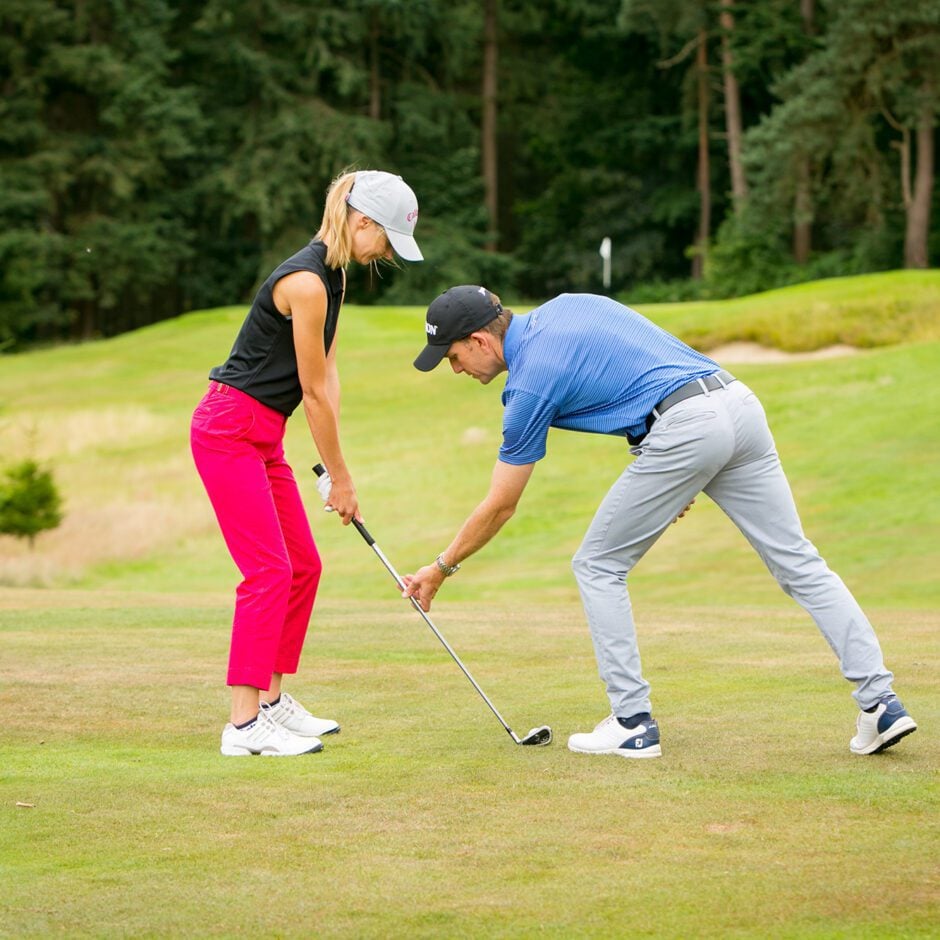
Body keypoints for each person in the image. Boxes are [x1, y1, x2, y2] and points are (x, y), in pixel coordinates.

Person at [403, 286, 917, 759]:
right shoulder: (568, 305)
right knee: (799, 561)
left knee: (597, 565)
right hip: (737, 404)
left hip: (686, 428)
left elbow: (501, 505)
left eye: (452, 357)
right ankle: (881, 703)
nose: (456, 369)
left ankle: (632, 722)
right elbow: (636, 365)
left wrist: (441, 568)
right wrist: (676, 469)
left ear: (479, 341)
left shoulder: (528, 386)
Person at [191, 169, 422, 756]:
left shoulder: (335, 278)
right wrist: (340, 478)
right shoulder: (306, 281)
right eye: (387, 239)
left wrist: (335, 467)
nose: (386, 254)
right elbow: (312, 393)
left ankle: (271, 701)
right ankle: (243, 725)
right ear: (362, 221)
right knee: (268, 571)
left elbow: (327, 373)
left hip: (263, 435)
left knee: (303, 567)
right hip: (228, 428)